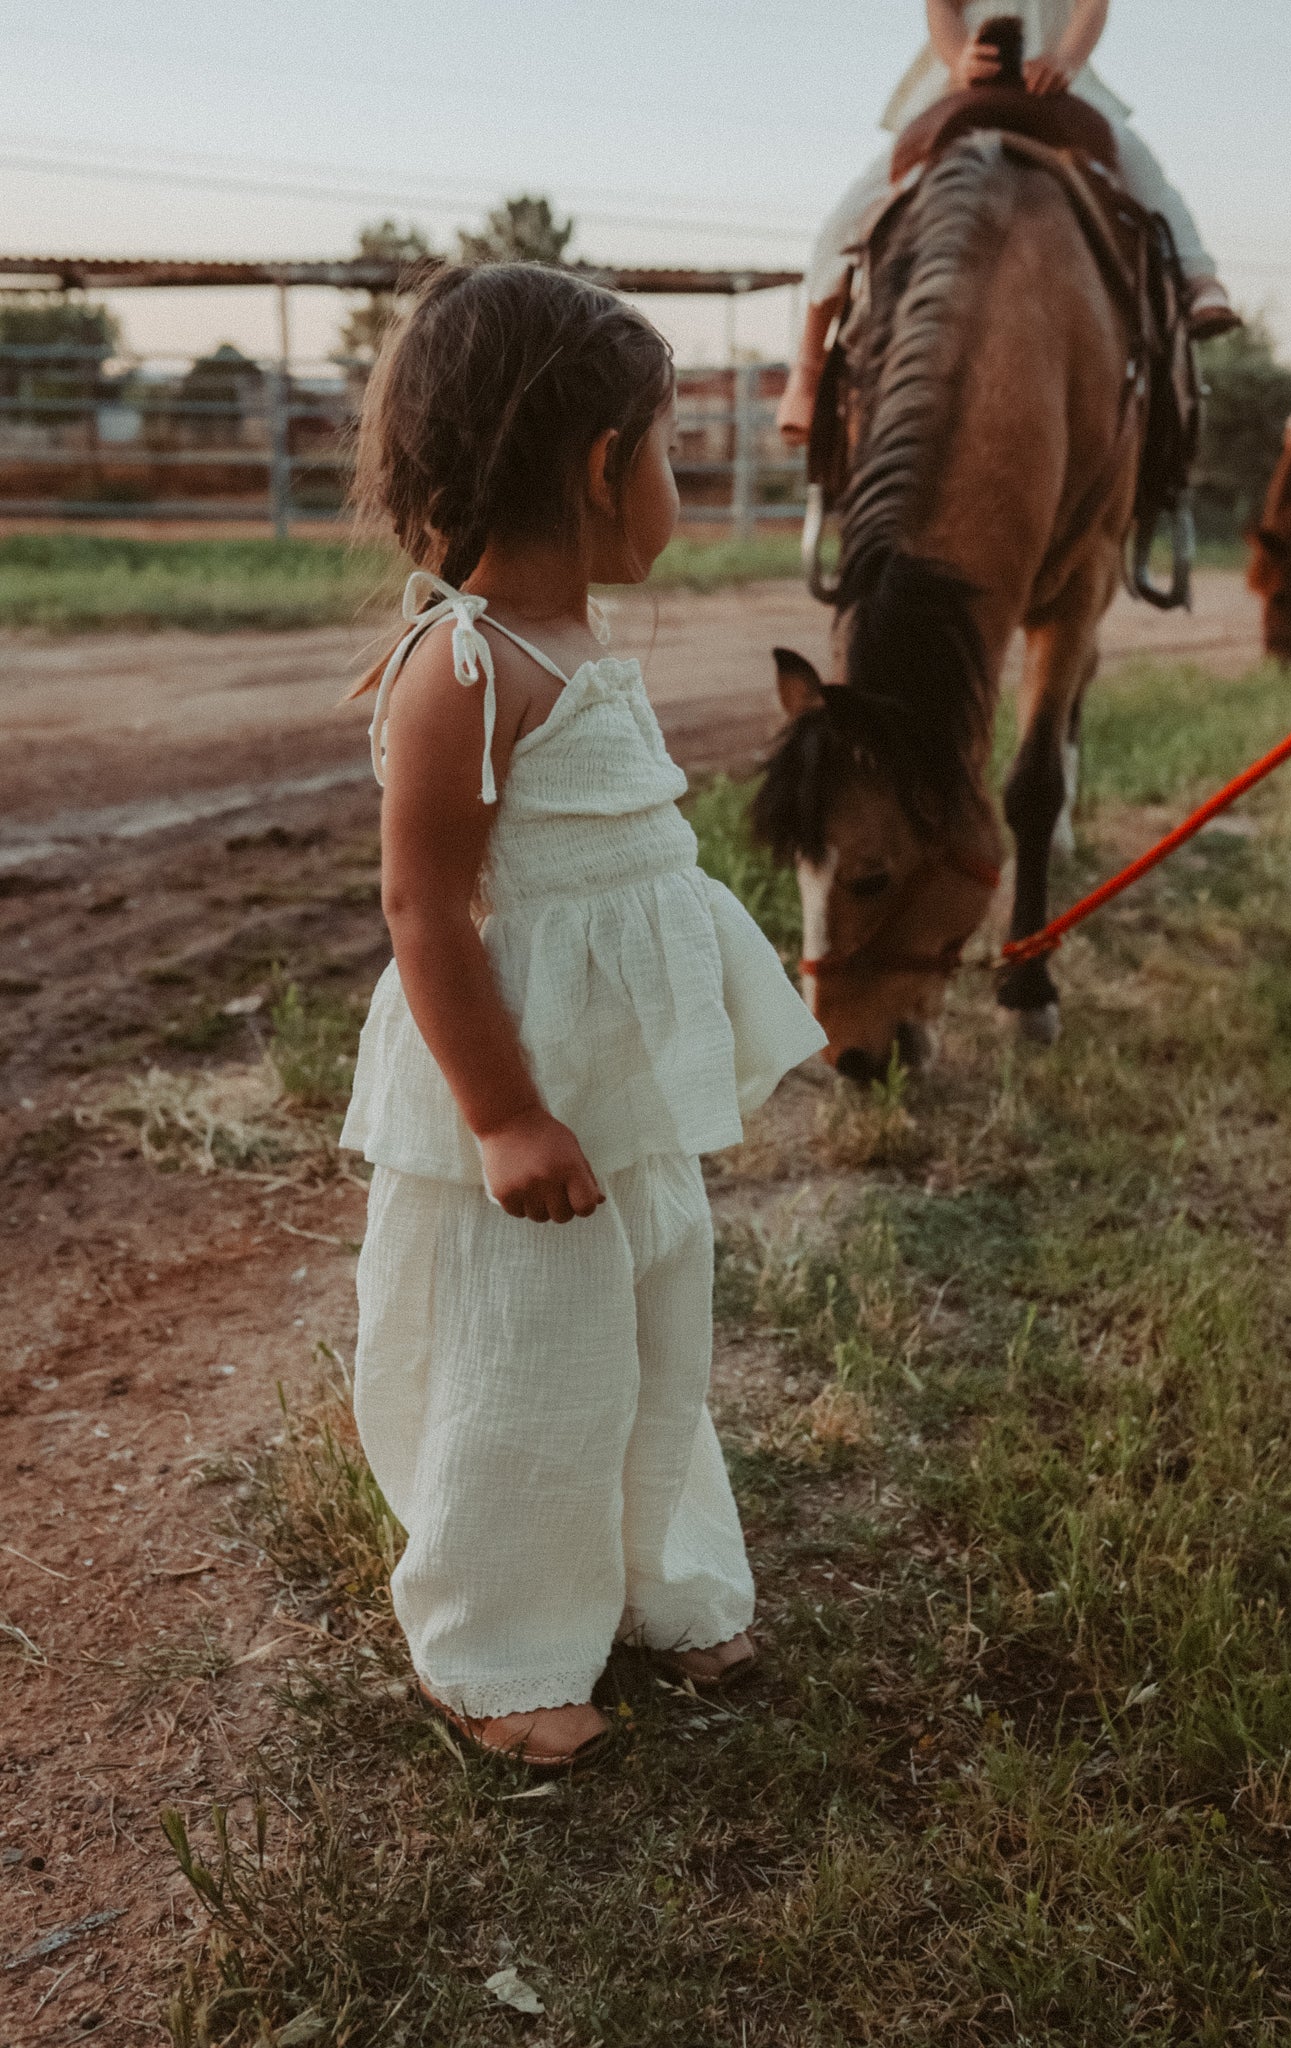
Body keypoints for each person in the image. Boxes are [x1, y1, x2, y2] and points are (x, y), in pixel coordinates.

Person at [340, 262, 826, 1770]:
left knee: (651, 1340)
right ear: (602, 464)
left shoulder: (585, 650)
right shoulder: (464, 667)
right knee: (532, 1364)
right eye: (672, 447)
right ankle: (498, 1642)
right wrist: (502, 1115)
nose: (678, 479)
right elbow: (425, 909)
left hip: (624, 1106)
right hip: (534, 1102)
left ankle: (657, 1575)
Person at [778, 0, 1239, 444]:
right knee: (860, 205)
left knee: (1138, 168)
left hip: (1054, 78)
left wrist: (1066, 58)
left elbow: (1091, 4)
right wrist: (959, 58)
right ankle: (808, 371)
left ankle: (1198, 278)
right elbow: (942, 5)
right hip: (965, 80)